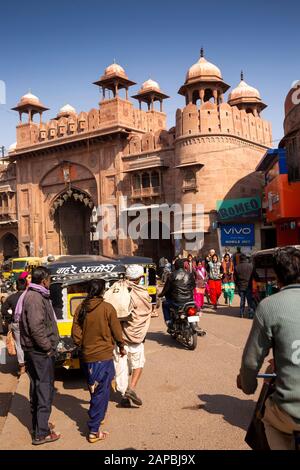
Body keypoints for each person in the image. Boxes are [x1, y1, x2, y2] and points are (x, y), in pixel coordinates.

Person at [237, 247, 300, 450]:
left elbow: (250, 362)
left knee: (269, 422)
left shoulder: (269, 306)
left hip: (290, 411)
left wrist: (247, 385)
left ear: (277, 277)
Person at [72, 279, 126, 443]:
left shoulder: (81, 308)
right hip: (103, 356)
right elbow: (117, 331)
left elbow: (75, 333)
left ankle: (98, 416)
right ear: (102, 291)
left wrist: (83, 345)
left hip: (87, 356)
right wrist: (121, 345)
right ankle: (94, 430)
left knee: (96, 388)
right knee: (101, 392)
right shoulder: (107, 308)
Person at [19, 267, 60, 446]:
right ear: (44, 280)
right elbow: (36, 328)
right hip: (39, 352)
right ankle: (41, 433)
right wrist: (48, 348)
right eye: (49, 279)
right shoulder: (35, 298)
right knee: (44, 390)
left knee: (38, 388)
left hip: (34, 351)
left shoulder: (35, 295)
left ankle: (39, 425)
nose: (49, 282)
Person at [115, 265, 152, 407]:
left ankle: (124, 393)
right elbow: (147, 310)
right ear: (140, 278)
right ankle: (132, 388)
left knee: (121, 366)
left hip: (121, 337)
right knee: (138, 363)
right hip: (137, 337)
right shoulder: (143, 293)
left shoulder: (118, 288)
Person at [1, 274, 28, 376]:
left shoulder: (11, 298)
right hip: (29, 323)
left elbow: (3, 309)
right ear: (26, 286)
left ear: (16, 286)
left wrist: (9, 318)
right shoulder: (30, 296)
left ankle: (22, 366)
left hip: (16, 324)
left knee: (19, 345)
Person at [159, 258, 196, 326]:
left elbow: (166, 289)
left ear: (175, 266)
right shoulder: (190, 274)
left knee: (164, 304)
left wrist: (160, 295)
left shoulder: (171, 275)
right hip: (189, 300)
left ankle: (168, 321)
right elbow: (193, 286)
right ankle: (195, 325)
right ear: (183, 266)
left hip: (177, 301)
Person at [234, 253, 255, 318]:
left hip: (241, 286)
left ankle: (241, 313)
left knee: (242, 300)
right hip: (249, 285)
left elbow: (236, 278)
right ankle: (250, 314)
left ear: (240, 259)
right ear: (246, 258)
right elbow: (254, 276)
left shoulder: (237, 267)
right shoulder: (251, 266)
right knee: (250, 301)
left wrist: (237, 285)